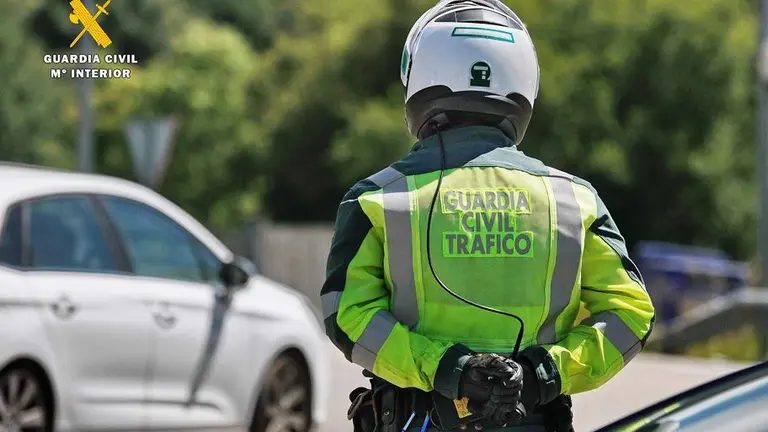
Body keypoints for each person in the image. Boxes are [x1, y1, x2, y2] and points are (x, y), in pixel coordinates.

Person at [320, 1, 656, 431]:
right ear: (524, 86)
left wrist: (451, 371)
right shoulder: (575, 200)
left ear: (418, 80)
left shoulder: (377, 199)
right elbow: (631, 316)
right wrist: (542, 375)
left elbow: (347, 316)